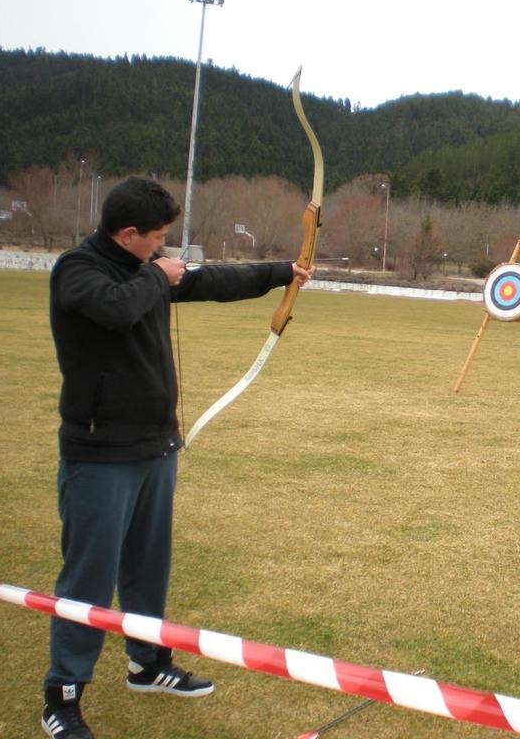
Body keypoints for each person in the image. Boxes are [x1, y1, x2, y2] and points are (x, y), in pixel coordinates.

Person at [41, 177, 312, 738]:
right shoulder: (79, 271)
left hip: (154, 448)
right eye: (156, 238)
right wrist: (155, 275)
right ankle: (62, 696)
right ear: (128, 234)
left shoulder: (148, 268)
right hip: (100, 454)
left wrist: (282, 273)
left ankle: (149, 664)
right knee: (87, 580)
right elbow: (115, 310)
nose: (164, 249)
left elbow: (211, 281)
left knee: (147, 569)